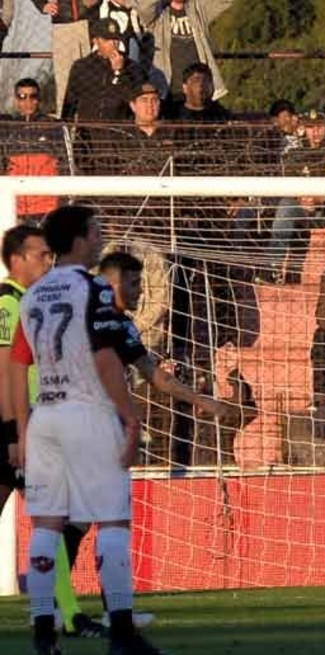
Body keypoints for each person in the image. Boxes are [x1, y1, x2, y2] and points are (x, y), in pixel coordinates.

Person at [8, 206, 223, 655]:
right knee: (112, 522)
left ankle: (43, 632)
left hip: (45, 415)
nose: (102, 236)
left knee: (46, 525)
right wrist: (129, 417)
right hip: (87, 413)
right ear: (82, 239)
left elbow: (16, 363)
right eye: (97, 230)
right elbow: (104, 356)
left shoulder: (33, 295)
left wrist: (25, 430)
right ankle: (123, 633)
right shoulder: (91, 289)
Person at [0, 225, 107, 639]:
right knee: (62, 517)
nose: (48, 261)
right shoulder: (8, 303)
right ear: (17, 258)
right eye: (41, 254)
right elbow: (5, 369)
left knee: (66, 517)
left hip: (31, 425)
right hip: (16, 428)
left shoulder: (32, 301)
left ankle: (61, 610)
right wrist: (13, 433)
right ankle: (68, 613)